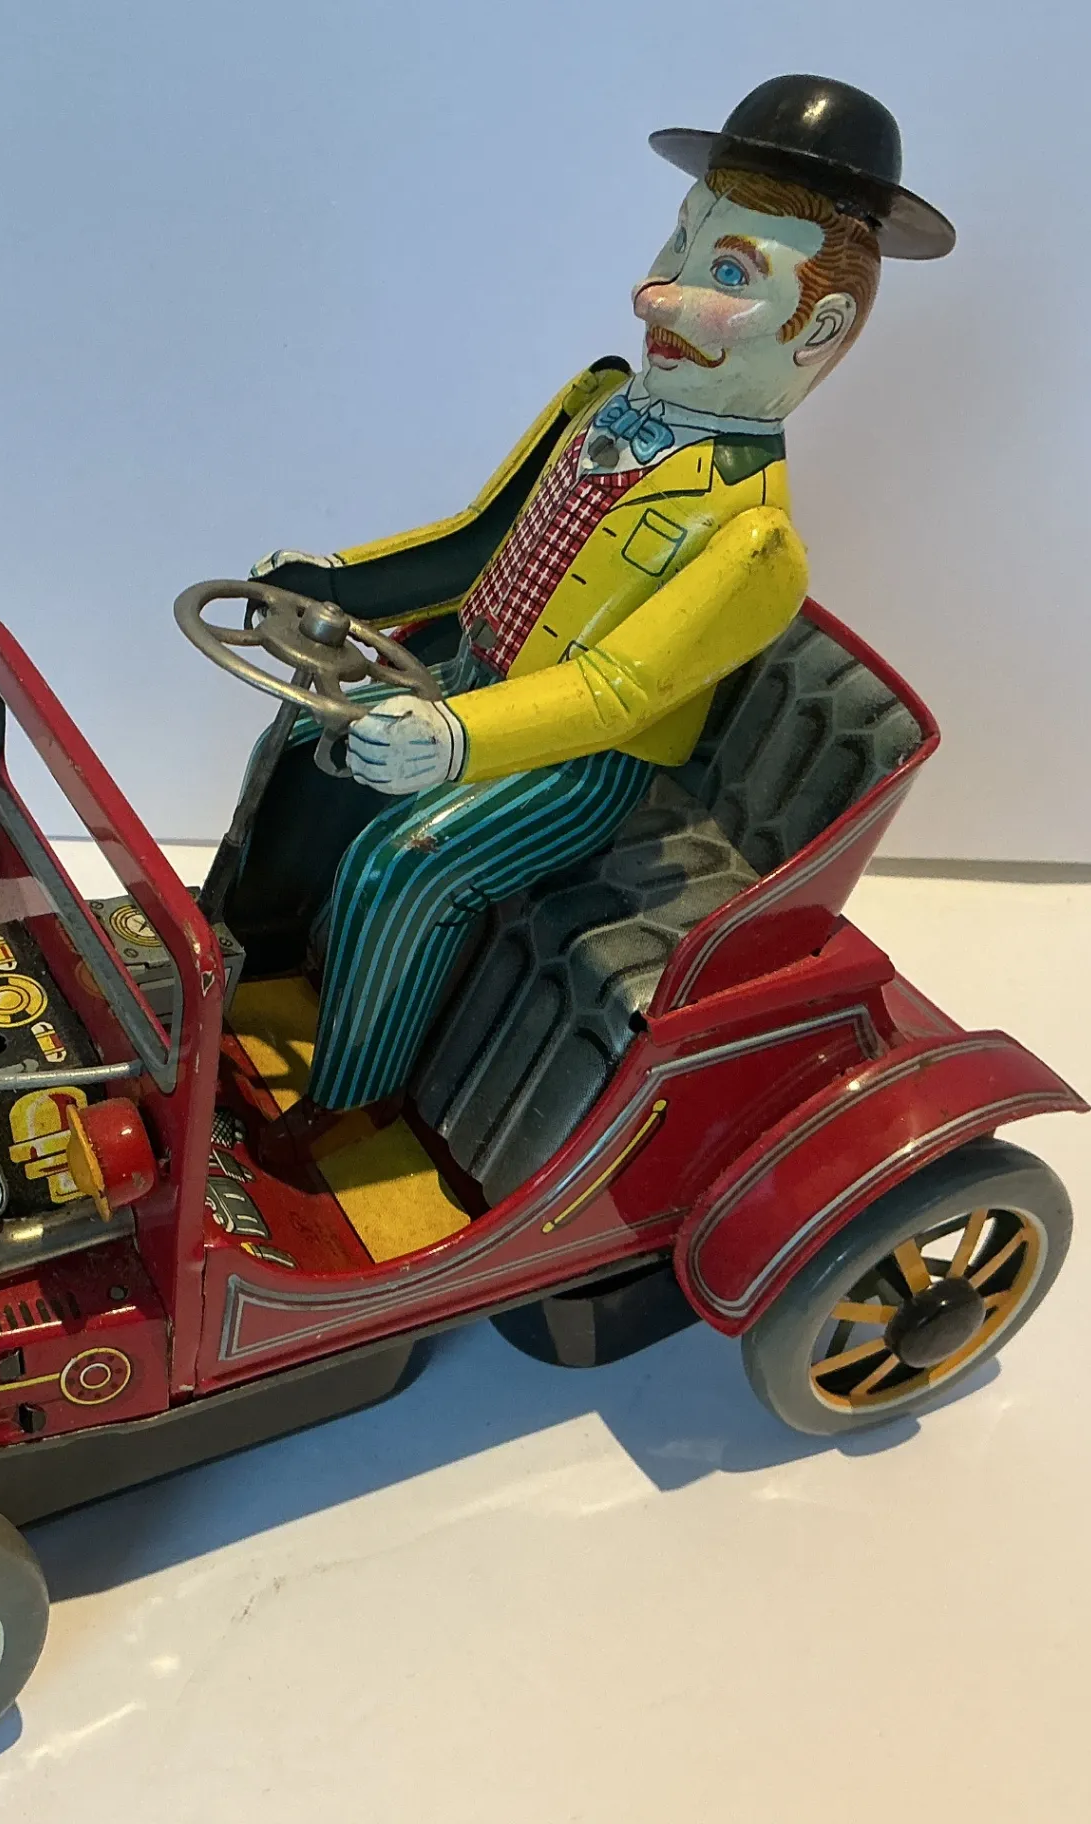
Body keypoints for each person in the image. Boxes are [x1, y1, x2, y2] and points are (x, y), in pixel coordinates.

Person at [250, 74, 955, 1171]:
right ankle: (244, 956)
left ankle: (355, 1098)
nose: (657, 297)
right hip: (466, 668)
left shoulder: (754, 540)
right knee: (307, 733)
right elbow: (476, 543)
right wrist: (331, 584)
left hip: (584, 760)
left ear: (816, 328)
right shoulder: (598, 405)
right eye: (679, 247)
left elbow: (617, 690)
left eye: (726, 275)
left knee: (409, 860)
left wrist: (455, 741)